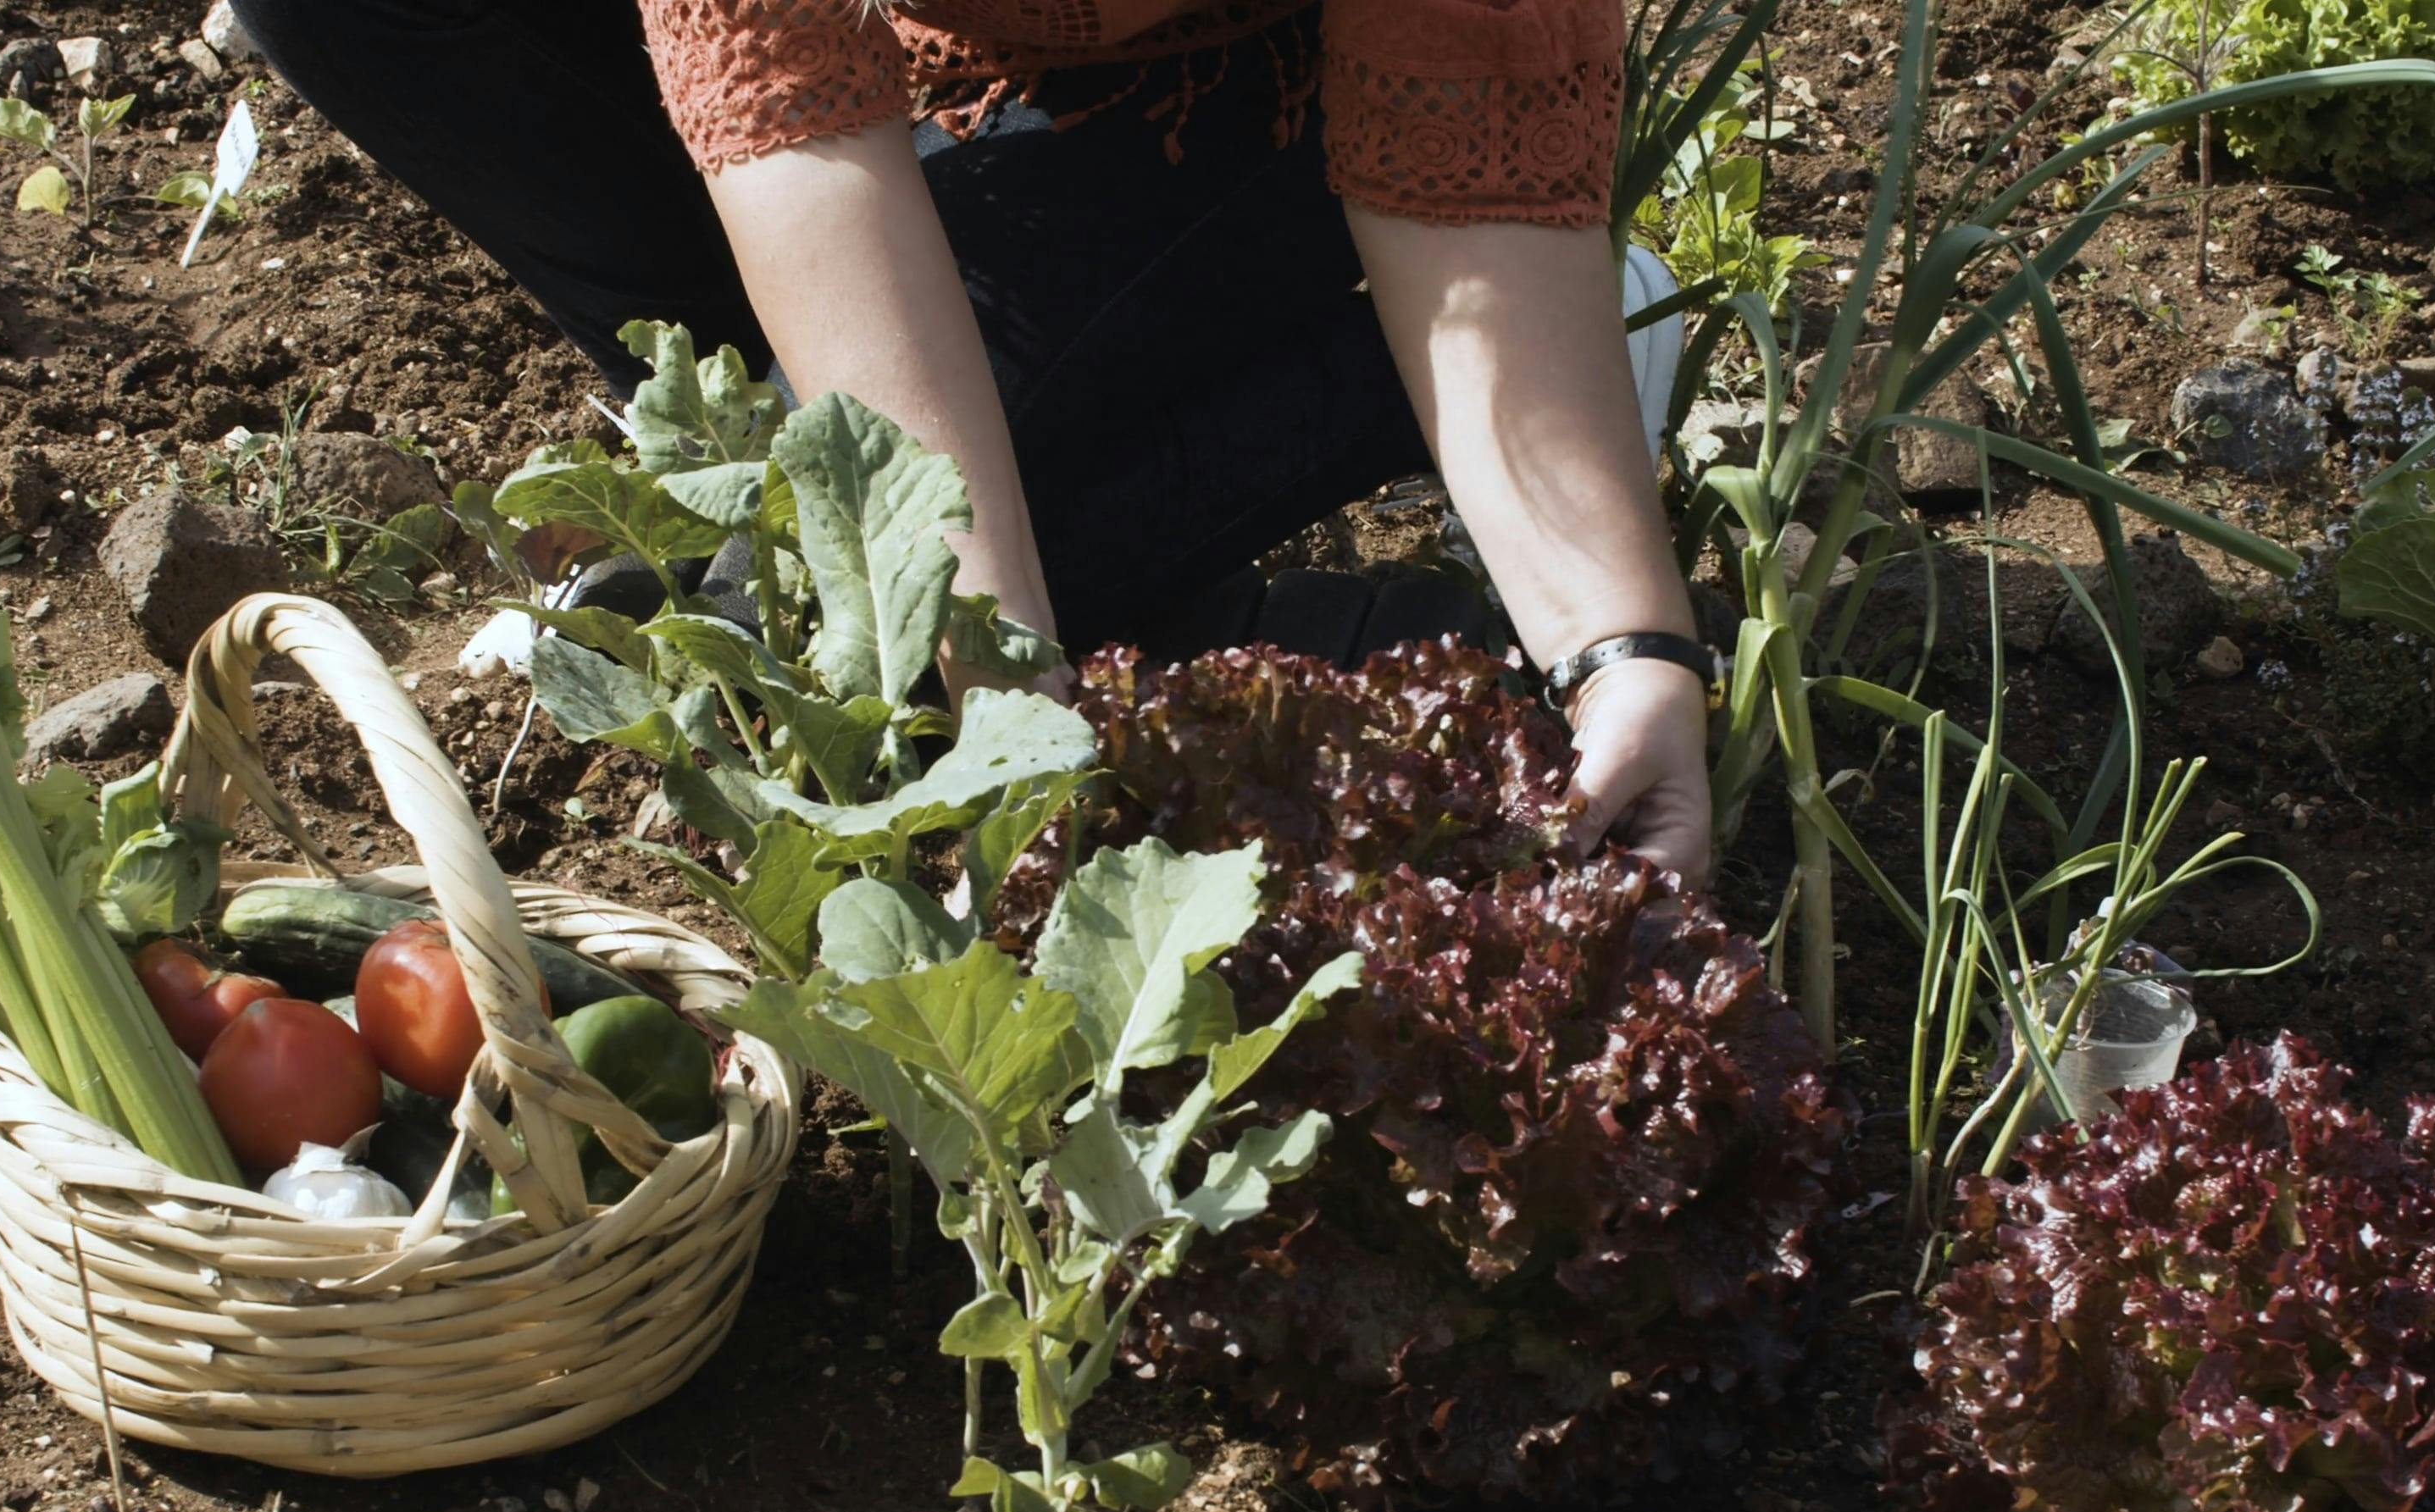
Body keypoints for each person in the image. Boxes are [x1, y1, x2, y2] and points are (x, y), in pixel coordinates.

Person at [226, 0, 1714, 877]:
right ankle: (850, 425)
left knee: (825, 609)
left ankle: (1410, 365)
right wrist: (995, 672)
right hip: (931, 71)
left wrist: (1625, 646)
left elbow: (1471, 161)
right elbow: (792, 125)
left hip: (1256, 91)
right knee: (883, 590)